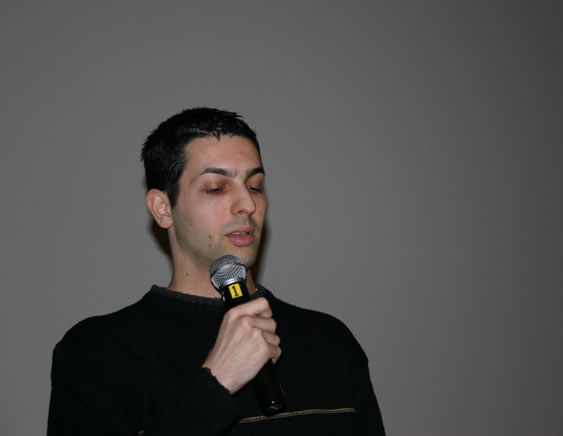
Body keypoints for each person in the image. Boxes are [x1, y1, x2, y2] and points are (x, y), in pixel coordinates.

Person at [48, 107, 385, 435]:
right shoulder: (98, 354)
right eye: (216, 188)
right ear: (163, 209)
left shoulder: (330, 342)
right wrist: (216, 382)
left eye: (254, 186)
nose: (247, 205)